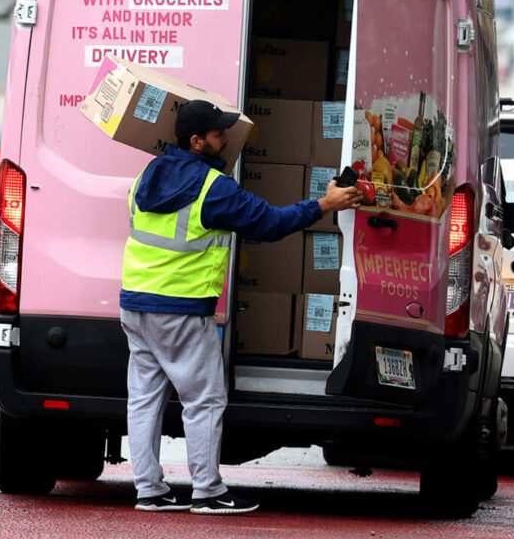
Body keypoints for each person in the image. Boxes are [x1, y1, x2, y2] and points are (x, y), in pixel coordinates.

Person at [120, 96, 362, 515]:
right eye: (218, 134)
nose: (225, 139)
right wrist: (325, 205)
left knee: (144, 398)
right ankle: (208, 492)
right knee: (205, 400)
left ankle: (149, 489)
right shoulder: (213, 188)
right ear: (197, 141)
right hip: (180, 307)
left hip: (135, 303)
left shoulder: (148, 173)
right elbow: (269, 223)